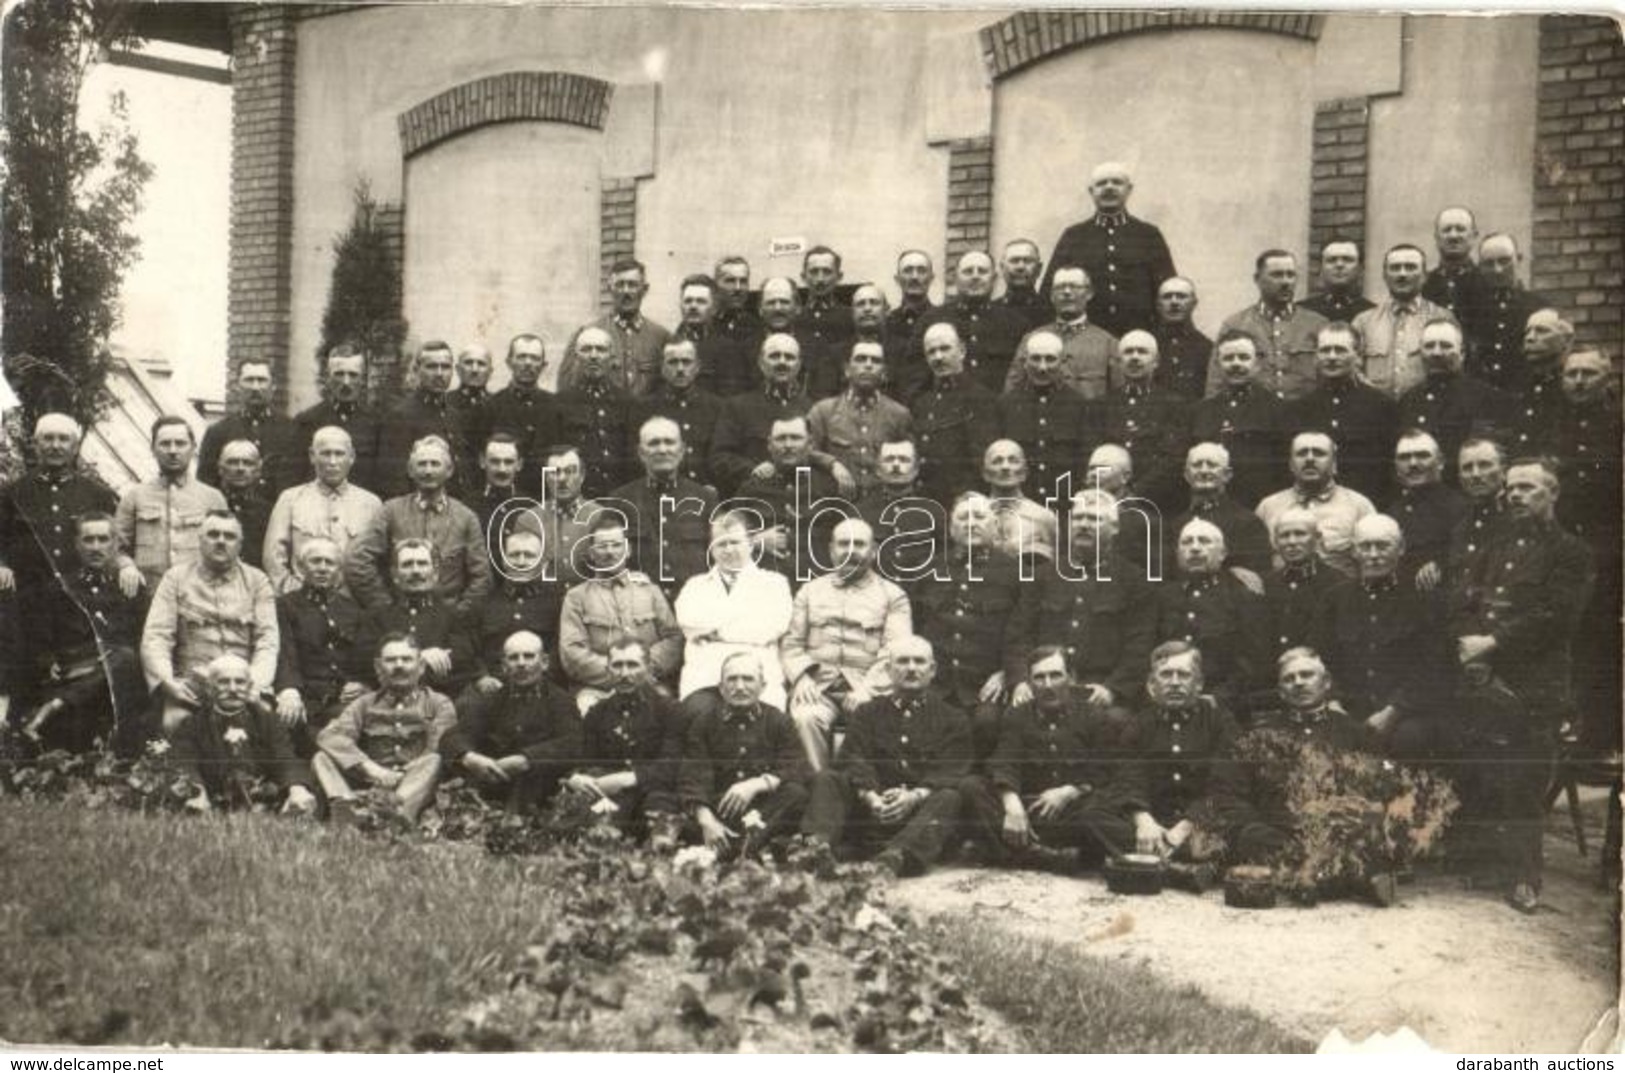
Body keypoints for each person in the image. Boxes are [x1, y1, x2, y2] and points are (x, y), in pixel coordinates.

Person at [1448, 458, 1594, 913]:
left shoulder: (1571, 552)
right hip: (1485, 676)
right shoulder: (1496, 545)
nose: (1514, 495)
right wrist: (1472, 652)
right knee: (1489, 768)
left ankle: (1526, 876)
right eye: (1510, 488)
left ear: (1553, 494)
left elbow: (1556, 617)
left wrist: (1491, 642)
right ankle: (1490, 862)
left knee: (1525, 779)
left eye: (1527, 488)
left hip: (1535, 683)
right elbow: (1466, 598)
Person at [1216, 647, 1393, 903]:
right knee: (1249, 837)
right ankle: (1349, 878)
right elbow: (1228, 792)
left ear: (1326, 683)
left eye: (1306, 675)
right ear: (1280, 690)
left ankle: (1306, 877)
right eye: (1289, 678)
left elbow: (1384, 786)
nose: (1298, 682)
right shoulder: (1256, 735)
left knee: (1374, 833)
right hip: (1279, 835)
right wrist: (1252, 825)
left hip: (1338, 833)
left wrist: (1365, 811)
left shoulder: (1355, 733)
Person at [961, 645, 1144, 871]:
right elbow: (1005, 761)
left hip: (1073, 812)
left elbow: (1104, 770)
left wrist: (1070, 791)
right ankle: (1043, 857)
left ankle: (1017, 854)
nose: (1048, 685)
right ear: (1029, 682)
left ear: (1071, 677)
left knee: (1097, 812)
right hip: (1031, 812)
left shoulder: (1093, 715)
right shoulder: (1017, 715)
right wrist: (1012, 804)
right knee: (972, 787)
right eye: (1039, 678)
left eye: (1055, 676)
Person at [800, 636, 970, 876]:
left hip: (919, 820)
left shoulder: (953, 718)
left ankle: (893, 859)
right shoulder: (868, 712)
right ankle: (816, 850)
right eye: (902, 661)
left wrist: (914, 796)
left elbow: (952, 770)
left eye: (919, 662)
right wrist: (871, 797)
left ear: (932, 670)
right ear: (888, 670)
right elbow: (852, 759)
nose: (911, 668)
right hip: (872, 812)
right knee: (828, 778)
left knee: (950, 796)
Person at [1311, 514, 1455, 760]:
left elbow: (1435, 667)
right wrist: (1334, 704)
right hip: (1348, 709)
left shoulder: (1424, 600)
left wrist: (1394, 711)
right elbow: (1320, 658)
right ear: (1354, 552)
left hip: (1409, 712)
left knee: (1410, 741)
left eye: (1383, 545)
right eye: (1365, 546)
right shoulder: (1335, 599)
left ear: (1400, 549)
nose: (1374, 554)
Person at [1007, 489, 1157, 721]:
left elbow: (1139, 646)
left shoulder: (1134, 580)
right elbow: (1019, 634)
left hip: (1098, 690)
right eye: (1078, 518)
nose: (1084, 525)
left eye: (1094, 519)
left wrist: (1113, 689)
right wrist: (1020, 681)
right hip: (1042, 686)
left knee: (1112, 722)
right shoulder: (1043, 576)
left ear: (1115, 528)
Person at [780, 518, 911, 771]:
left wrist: (869, 688)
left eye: (859, 544)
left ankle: (861, 793)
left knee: (872, 716)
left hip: (869, 687)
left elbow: (896, 652)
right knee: (806, 717)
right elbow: (792, 644)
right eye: (843, 544)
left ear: (873, 551)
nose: (850, 551)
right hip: (818, 687)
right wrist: (802, 678)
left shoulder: (893, 595)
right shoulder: (809, 591)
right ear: (831, 550)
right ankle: (820, 787)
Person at [16, 511, 149, 755]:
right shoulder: (59, 588)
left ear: (116, 544)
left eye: (103, 539)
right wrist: (48, 662)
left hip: (121, 681)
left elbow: (145, 638)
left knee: (125, 656)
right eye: (88, 540)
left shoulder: (130, 587)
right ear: (77, 545)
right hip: (73, 671)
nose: (96, 547)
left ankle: (53, 707)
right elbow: (40, 639)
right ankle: (59, 703)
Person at [140, 510, 279, 735]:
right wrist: (167, 682)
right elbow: (156, 637)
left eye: (229, 536)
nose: (221, 541)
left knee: (266, 720)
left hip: (244, 683)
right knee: (175, 723)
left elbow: (268, 641)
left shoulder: (258, 581)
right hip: (192, 685)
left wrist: (255, 682)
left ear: (240, 544)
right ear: (200, 539)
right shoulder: (175, 579)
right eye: (213, 534)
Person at [912, 493, 1023, 759]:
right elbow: (914, 626)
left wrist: (1007, 673)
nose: (971, 524)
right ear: (951, 529)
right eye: (963, 518)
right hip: (935, 683)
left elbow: (1022, 631)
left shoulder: (1015, 572)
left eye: (979, 517)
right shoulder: (930, 569)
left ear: (995, 526)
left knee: (987, 723)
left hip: (983, 685)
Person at [314, 633, 457, 826]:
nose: (399, 665)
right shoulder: (364, 704)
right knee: (321, 758)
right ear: (378, 667)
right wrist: (372, 769)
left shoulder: (438, 703)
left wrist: (401, 774)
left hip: (413, 783)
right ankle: (347, 808)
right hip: (372, 780)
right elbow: (331, 736)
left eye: (406, 659)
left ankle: (393, 814)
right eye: (390, 660)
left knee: (435, 760)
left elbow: (436, 749)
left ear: (421, 666)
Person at [676, 651, 810, 853]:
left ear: (763, 686)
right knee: (679, 811)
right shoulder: (704, 723)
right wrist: (707, 820)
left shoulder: (778, 721)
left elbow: (794, 765)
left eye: (748, 679)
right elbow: (694, 775)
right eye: (732, 679)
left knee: (795, 793)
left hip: (764, 811)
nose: (740, 686)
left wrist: (757, 784)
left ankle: (739, 849)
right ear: (721, 688)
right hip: (720, 809)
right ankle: (748, 848)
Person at [1128, 641, 1238, 882]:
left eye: (1184, 675)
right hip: (1156, 820)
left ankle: (1147, 863)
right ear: (1151, 685)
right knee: (1095, 815)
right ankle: (1182, 870)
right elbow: (1128, 777)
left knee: (1242, 821)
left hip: (1201, 820)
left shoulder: (1220, 722)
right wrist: (1143, 820)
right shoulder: (1139, 723)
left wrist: (1188, 824)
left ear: (1198, 684)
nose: (1175, 682)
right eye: (1166, 674)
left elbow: (1224, 784)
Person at [344, 435, 491, 616]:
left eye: (435, 464)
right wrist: (384, 606)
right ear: (410, 470)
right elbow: (358, 562)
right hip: (400, 618)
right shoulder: (390, 511)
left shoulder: (466, 517)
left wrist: (458, 615)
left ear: (449, 470)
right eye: (422, 464)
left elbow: (482, 578)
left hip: (449, 619)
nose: (428, 471)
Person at [444, 630, 580, 812]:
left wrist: (527, 759)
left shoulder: (560, 700)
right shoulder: (493, 699)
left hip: (539, 786)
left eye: (529, 656)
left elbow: (572, 743)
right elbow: (454, 735)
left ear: (545, 662)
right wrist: (469, 757)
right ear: (504, 666)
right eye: (514, 658)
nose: (521, 663)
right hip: (496, 780)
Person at [558, 517, 683, 710]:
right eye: (602, 546)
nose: (610, 552)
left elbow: (674, 638)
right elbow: (572, 654)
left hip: (650, 684)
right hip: (597, 690)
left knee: (669, 711)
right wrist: (619, 674)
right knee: (585, 709)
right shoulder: (576, 597)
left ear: (628, 550)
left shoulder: (649, 590)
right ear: (591, 554)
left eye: (616, 545)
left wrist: (643, 670)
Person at [168, 654, 317, 815]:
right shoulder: (194, 723)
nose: (233, 689)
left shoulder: (266, 720)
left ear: (249, 686)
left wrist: (297, 789)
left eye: (240, 682)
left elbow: (285, 757)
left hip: (260, 795)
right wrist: (197, 793)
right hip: (213, 797)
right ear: (210, 688)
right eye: (223, 682)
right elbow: (186, 761)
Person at [674, 511, 794, 710]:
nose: (728, 550)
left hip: (760, 678)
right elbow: (689, 622)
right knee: (697, 719)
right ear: (711, 549)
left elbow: (771, 628)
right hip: (705, 678)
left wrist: (716, 632)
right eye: (721, 544)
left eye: (735, 542)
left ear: (750, 543)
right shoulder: (694, 586)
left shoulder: (775, 584)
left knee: (765, 726)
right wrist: (745, 625)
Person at [708, 333, 853, 497]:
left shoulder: (815, 408)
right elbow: (719, 458)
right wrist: (752, 469)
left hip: (806, 501)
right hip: (756, 498)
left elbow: (820, 453)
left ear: (798, 365)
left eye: (789, 357)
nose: (782, 362)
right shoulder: (737, 407)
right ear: (761, 363)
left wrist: (832, 464)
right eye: (774, 356)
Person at [1040, 162, 1176, 336]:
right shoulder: (1074, 236)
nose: (1109, 187)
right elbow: (1049, 293)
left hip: (1138, 336)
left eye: (1116, 182)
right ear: (1091, 191)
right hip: (1086, 337)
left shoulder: (1148, 235)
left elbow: (1168, 290)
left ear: (1129, 189)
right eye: (1102, 183)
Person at [565, 637, 685, 833]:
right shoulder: (598, 712)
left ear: (648, 668)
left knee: (660, 825)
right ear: (608, 671)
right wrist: (578, 777)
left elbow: (674, 765)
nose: (624, 674)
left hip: (656, 796)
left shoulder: (669, 710)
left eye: (632, 665)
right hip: (611, 797)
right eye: (617, 666)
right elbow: (583, 758)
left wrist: (631, 777)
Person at [1154, 519, 1267, 713]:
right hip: (1166, 700)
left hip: (1221, 704)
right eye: (1187, 542)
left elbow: (1252, 660)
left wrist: (1220, 697)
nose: (1195, 548)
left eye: (1204, 541)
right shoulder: (1163, 596)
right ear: (1178, 554)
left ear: (1222, 554)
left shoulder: (1241, 595)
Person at [605, 416, 718, 600]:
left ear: (681, 450)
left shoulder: (705, 499)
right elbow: (608, 563)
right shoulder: (619, 501)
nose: (662, 449)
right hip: (639, 610)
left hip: (694, 607)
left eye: (669, 442)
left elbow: (718, 560)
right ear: (641, 453)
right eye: (654, 443)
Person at [1286, 321, 1399, 503]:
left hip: (1369, 505)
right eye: (1325, 350)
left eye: (1340, 350)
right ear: (1315, 357)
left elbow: (1390, 470)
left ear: (1358, 356)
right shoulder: (1300, 409)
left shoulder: (1382, 406)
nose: (1331, 357)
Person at [263, 426, 383, 594]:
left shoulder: (371, 503)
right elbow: (273, 558)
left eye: (339, 454)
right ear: (312, 456)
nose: (332, 462)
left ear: (352, 457)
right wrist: (293, 596)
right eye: (326, 453)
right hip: (302, 602)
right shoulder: (290, 499)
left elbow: (377, 560)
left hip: (354, 605)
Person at [116, 415, 228, 589]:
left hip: (198, 596)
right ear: (152, 449)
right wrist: (126, 566)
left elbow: (227, 549)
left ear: (193, 448)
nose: (173, 450)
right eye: (165, 443)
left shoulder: (212, 498)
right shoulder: (135, 497)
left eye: (180, 443)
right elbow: (116, 547)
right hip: (150, 596)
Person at [357, 538, 478, 698]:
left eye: (422, 563)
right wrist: (421, 657)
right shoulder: (377, 617)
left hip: (440, 703)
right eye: (407, 564)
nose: (415, 571)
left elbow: (463, 662)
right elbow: (363, 663)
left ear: (435, 573)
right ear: (394, 574)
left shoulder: (453, 616)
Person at [732, 415, 844, 585]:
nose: (788, 445)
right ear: (769, 445)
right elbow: (727, 539)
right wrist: (754, 541)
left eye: (796, 438)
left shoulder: (829, 486)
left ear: (810, 444)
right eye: (781, 439)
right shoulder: (751, 488)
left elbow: (850, 536)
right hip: (765, 587)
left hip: (819, 586)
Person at [1209, 251, 1327, 401]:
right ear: (1257, 279)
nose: (1286, 282)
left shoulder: (1317, 324)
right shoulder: (1235, 324)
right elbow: (1216, 384)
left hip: (1303, 419)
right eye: (1277, 275)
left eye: (1290, 275)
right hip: (1252, 417)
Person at [1396, 318, 1513, 470]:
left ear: (1462, 353)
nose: (1436, 353)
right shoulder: (1408, 401)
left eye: (1445, 346)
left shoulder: (1488, 398)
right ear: (1420, 352)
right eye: (1429, 346)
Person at [1255, 431, 1376, 577]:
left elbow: (1373, 562)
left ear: (1334, 463)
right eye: (1302, 453)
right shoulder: (1268, 507)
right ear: (1291, 464)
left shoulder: (1359, 506)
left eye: (1319, 453)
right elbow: (1255, 565)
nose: (1310, 459)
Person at [1190, 331, 1288, 508]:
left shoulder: (1277, 409)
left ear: (1257, 364)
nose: (1236, 363)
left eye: (1243, 357)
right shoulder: (1201, 411)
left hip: (1257, 507)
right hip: (1211, 507)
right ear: (1218, 365)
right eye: (1228, 358)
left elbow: (1284, 470)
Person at [996, 328, 1098, 497]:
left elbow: (1086, 461)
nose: (1042, 367)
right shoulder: (1006, 404)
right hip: (1020, 503)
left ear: (1062, 363)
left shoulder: (1078, 404)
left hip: (1064, 504)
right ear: (1025, 362)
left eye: (1050, 359)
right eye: (1035, 359)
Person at [806, 341, 912, 496]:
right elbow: (805, 451)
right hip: (837, 504)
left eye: (875, 361)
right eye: (861, 359)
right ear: (847, 370)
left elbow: (910, 461)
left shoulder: (899, 415)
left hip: (882, 506)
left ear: (884, 373)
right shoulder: (823, 411)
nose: (868, 365)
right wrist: (832, 463)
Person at [909, 322, 999, 504]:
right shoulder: (920, 399)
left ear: (962, 351)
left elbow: (982, 459)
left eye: (945, 349)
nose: (938, 357)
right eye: (931, 352)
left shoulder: (979, 397)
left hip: (960, 501)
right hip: (923, 499)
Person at [912, 251, 1027, 393]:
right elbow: (914, 378)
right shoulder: (930, 320)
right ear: (955, 278)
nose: (975, 276)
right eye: (968, 271)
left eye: (982, 271)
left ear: (994, 278)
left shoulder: (1015, 323)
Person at [1101, 329, 1190, 509]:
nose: (1135, 357)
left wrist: (1135, 494)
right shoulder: (1101, 406)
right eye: (1128, 352)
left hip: (1156, 503)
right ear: (1118, 361)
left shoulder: (1175, 405)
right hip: (1108, 500)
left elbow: (1173, 458)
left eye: (1142, 352)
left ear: (1156, 361)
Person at [1351, 244, 1451, 399]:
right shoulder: (1363, 322)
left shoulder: (1443, 319)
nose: (1402, 274)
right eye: (1395, 268)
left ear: (1425, 275)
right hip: (1376, 413)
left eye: (1410, 267)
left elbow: (1451, 370)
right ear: (1385, 275)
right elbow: (1353, 370)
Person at [1004, 266, 1120, 400]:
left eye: (1074, 287)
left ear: (1089, 294)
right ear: (1052, 296)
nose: (1066, 292)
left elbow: (1119, 399)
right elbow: (1010, 395)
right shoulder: (1030, 339)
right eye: (1060, 287)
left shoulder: (1108, 343)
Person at [560, 258, 672, 395]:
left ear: (644, 289)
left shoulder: (661, 337)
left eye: (632, 285)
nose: (626, 292)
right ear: (610, 289)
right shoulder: (587, 334)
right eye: (620, 285)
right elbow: (567, 390)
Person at [375, 341, 469, 498]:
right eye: (432, 367)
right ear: (417, 370)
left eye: (445, 367)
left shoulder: (453, 414)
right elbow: (393, 481)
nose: (439, 373)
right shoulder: (401, 415)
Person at [1164, 442, 1272, 577]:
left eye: (1211, 465)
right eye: (1197, 465)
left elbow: (1257, 579)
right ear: (1186, 475)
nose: (1203, 471)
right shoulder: (1176, 525)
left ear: (1227, 474)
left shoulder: (1248, 523)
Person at [198, 359, 302, 496]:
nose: (255, 387)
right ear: (237, 386)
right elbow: (206, 485)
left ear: (273, 386)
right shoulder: (218, 432)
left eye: (262, 380)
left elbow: (299, 481)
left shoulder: (291, 430)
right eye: (249, 380)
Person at [629, 338, 723, 488]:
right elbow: (636, 457)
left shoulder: (717, 407)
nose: (680, 369)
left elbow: (721, 455)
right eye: (673, 362)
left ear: (697, 367)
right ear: (662, 368)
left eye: (686, 362)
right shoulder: (644, 408)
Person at [472, 334, 560, 495]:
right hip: (504, 496)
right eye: (521, 357)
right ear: (509, 362)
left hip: (546, 497)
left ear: (543, 365)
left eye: (534, 358)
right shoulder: (490, 406)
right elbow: (478, 460)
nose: (528, 363)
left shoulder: (556, 406)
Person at [473, 528, 564, 675]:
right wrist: (481, 677)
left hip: (542, 685)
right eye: (514, 555)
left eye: (529, 556)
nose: (521, 562)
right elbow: (471, 651)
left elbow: (559, 654)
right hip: (493, 687)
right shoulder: (484, 603)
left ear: (542, 563)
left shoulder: (556, 604)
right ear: (504, 561)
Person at [556, 326, 633, 498]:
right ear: (576, 357)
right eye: (586, 349)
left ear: (611, 356)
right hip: (579, 498)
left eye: (601, 349)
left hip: (620, 496)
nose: (593, 356)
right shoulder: (561, 402)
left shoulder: (627, 402)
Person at [293, 344, 382, 493]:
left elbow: (382, 477)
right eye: (339, 374)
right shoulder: (307, 421)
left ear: (362, 379)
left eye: (353, 375)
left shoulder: (376, 423)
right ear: (327, 377)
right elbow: (294, 475)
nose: (346, 382)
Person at [510, 444, 603, 586]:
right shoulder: (528, 521)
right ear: (546, 477)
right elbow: (521, 575)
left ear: (582, 476)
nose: (562, 479)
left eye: (570, 471)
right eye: (554, 472)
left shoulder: (600, 517)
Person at [1467, 234, 1549, 392]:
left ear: (1518, 259)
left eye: (1504, 261)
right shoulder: (1471, 308)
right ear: (1480, 267)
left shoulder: (1539, 307)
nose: (1497, 270)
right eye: (1489, 264)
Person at [1387, 430, 1468, 589]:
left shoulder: (1461, 507)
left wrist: (1441, 566)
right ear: (1397, 467)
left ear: (1440, 462)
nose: (1413, 464)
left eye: (1422, 455)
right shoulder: (1393, 513)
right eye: (1404, 457)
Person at [1261, 506, 1336, 654]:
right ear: (1275, 542)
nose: (1292, 541)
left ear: (1318, 538)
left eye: (1300, 534)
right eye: (1284, 535)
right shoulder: (1265, 584)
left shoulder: (1337, 583)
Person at [978, 439, 1059, 565]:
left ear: (1024, 473)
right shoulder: (974, 515)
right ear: (985, 474)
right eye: (997, 461)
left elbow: (1053, 566)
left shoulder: (1043, 517)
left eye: (1013, 461)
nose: (1005, 467)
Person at [1508, 308, 1575, 453]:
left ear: (1567, 340)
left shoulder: (1577, 385)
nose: (1530, 338)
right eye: (1528, 332)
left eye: (1542, 331)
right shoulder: (1519, 384)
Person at [796, 246, 855, 399]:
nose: (820, 279)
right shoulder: (794, 318)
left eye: (827, 272)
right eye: (814, 272)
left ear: (839, 276)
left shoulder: (851, 318)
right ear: (803, 276)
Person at [1422, 206, 1489, 325]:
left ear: (1474, 235)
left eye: (1460, 229)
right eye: (1447, 230)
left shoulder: (1488, 282)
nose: (1453, 236)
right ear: (1436, 238)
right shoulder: (1423, 284)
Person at [887, 250, 939, 399]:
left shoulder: (943, 320)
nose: (914, 277)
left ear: (931, 278)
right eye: (908, 271)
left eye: (921, 271)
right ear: (897, 279)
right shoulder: (886, 323)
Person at [215, 440, 273, 570]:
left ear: (258, 470)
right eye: (232, 462)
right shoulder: (210, 504)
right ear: (220, 469)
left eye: (248, 463)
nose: (240, 468)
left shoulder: (269, 512)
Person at [1149, 276, 1210, 399]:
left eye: (1181, 296)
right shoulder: (1145, 346)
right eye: (1167, 297)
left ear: (1194, 303)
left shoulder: (1207, 348)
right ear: (1158, 305)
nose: (1174, 302)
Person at [1300, 239, 1375, 322]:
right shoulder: (1301, 312)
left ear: (1360, 268)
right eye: (1331, 260)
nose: (1339, 265)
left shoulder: (1374, 315)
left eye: (1347, 259)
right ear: (1320, 268)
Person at [992, 238, 1053, 332]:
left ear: (1039, 269)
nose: (1020, 267)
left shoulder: (1052, 311)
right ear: (1002, 268)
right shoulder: (990, 311)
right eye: (1014, 261)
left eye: (1027, 261)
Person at [451, 342, 495, 416]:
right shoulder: (445, 402)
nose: (474, 370)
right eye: (468, 363)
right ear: (458, 369)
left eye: (481, 364)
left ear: (490, 372)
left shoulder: (499, 405)